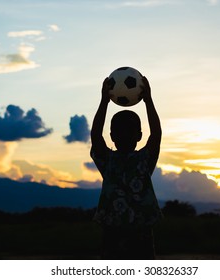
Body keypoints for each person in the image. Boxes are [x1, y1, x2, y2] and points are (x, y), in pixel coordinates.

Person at [90, 76, 162, 259]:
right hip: (112, 232)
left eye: (129, 130)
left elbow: (156, 134)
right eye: (119, 130)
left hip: (141, 231)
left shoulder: (144, 160)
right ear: (112, 135)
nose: (124, 134)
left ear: (139, 135)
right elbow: (96, 135)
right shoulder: (108, 160)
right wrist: (104, 101)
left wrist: (149, 100)